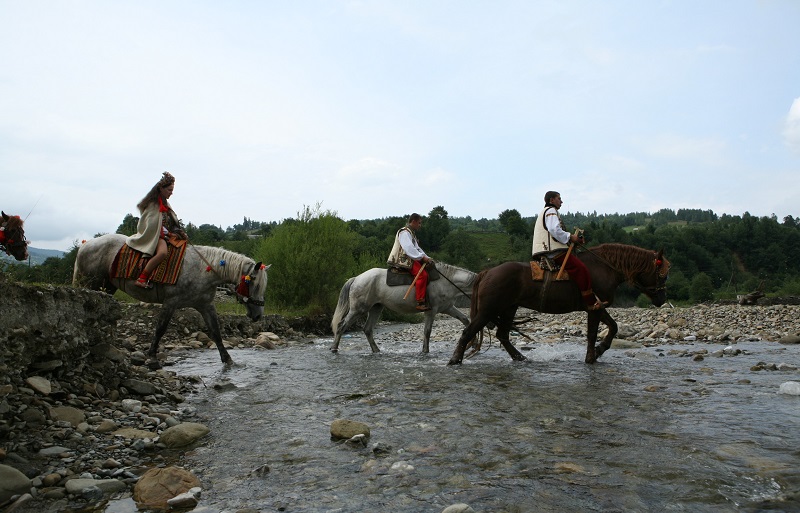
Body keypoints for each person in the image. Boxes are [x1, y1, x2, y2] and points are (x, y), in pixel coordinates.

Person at [532, 191, 606, 310]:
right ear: (551, 200)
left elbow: (555, 234)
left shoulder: (546, 212)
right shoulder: (551, 211)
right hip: (553, 252)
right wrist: (571, 237)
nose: (561, 201)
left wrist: (572, 241)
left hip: (550, 249)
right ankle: (591, 303)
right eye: (559, 199)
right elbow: (554, 230)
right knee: (581, 269)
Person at [126, 172, 187, 288]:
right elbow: (152, 225)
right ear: (161, 189)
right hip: (156, 236)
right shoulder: (153, 205)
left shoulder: (165, 203)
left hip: (164, 235)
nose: (171, 193)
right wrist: (166, 234)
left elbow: (169, 222)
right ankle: (142, 278)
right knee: (163, 253)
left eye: (172, 190)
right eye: (169, 190)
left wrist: (177, 232)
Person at [387, 213, 435, 311]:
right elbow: (409, 248)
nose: (420, 225)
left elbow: (417, 248)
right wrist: (421, 258)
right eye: (419, 223)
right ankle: (420, 302)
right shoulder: (404, 232)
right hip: (402, 259)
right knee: (422, 275)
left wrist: (427, 257)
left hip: (410, 258)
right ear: (413, 221)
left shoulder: (410, 233)